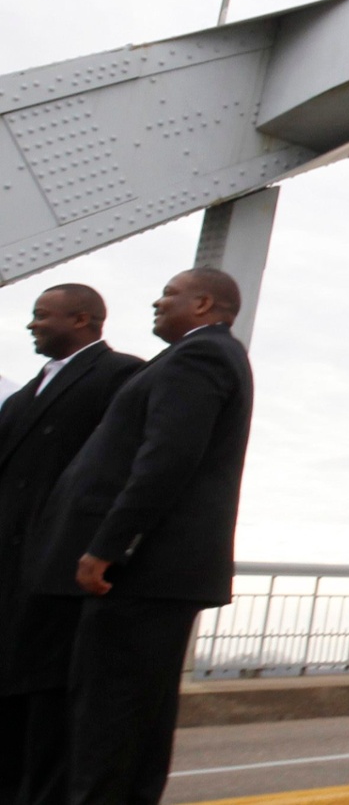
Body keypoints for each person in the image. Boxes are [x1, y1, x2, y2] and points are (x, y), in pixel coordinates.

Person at [27, 268, 254, 805]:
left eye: (170, 294)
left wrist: (108, 546)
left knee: (110, 721)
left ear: (203, 304)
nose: (158, 302)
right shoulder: (202, 356)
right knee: (134, 722)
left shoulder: (199, 356)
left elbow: (167, 458)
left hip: (143, 572)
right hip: (157, 574)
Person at [0, 286, 143, 805]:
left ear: (81, 319)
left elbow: (123, 466)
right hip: (12, 567)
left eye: (42, 315)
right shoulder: (25, 394)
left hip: (62, 567)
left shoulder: (121, 375)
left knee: (48, 698)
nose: (31, 324)